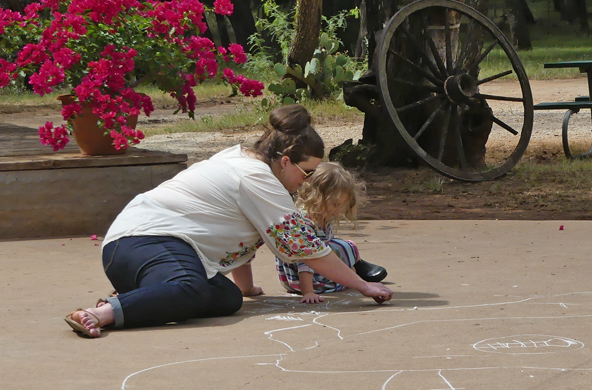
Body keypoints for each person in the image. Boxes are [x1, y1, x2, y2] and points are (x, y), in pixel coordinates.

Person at [64, 105, 393, 338]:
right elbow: (306, 248)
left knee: (229, 298)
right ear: (285, 160)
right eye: (306, 173)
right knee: (190, 288)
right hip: (142, 242)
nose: (306, 182)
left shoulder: (244, 160)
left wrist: (246, 287)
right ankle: (101, 313)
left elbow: (245, 237)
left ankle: (150, 294)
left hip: (145, 251)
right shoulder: (258, 178)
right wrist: (362, 285)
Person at [276, 162, 386, 304]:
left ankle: (353, 274)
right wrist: (308, 292)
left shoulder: (323, 214)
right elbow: (306, 260)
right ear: (316, 197)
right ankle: (352, 275)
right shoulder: (305, 222)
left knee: (344, 246)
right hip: (302, 278)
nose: (337, 210)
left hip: (314, 266)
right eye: (334, 204)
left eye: (341, 205)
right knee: (340, 248)